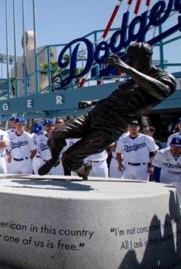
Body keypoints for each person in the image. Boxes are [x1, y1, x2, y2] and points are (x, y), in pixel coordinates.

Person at [39, 42, 176, 180]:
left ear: (145, 57)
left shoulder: (162, 76)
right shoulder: (131, 80)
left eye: (132, 58)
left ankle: (82, 170)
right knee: (57, 134)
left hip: (110, 127)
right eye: (127, 59)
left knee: (70, 157)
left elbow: (161, 91)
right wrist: (92, 102)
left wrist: (128, 69)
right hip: (93, 116)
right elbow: (113, 99)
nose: (128, 61)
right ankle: (53, 159)